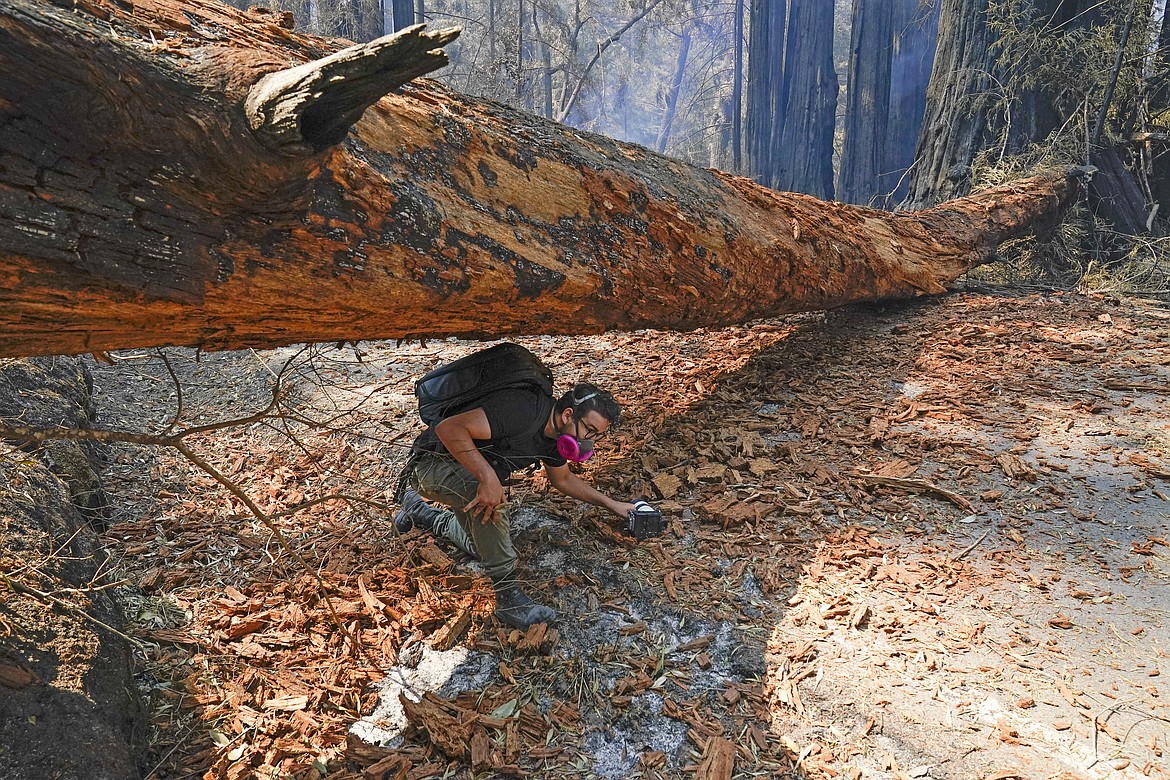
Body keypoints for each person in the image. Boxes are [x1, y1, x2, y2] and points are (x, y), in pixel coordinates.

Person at [394, 382, 638, 629]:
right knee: (490, 501)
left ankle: (421, 513)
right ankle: (509, 599)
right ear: (568, 415)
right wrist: (487, 477)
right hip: (431, 465)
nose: (590, 441)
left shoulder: (555, 438)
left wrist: (612, 504)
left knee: (484, 548)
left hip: (465, 469)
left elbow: (562, 479)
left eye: (597, 435)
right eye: (589, 430)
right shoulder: (523, 410)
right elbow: (449, 429)